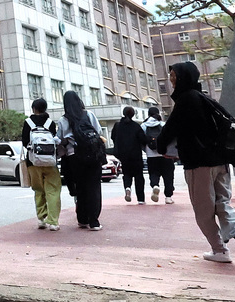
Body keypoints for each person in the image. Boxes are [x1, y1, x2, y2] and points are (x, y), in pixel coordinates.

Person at [157, 61, 235, 267]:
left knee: (203, 210)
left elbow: (169, 131)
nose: (171, 80)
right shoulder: (205, 99)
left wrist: (161, 147)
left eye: (174, 76)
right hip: (221, 161)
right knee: (223, 202)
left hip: (198, 163)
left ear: (185, 78)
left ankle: (219, 250)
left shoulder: (185, 100)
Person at [19, 97, 68, 230]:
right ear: (45, 109)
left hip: (33, 162)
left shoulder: (28, 122)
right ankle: (53, 222)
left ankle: (41, 219)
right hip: (50, 162)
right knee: (53, 190)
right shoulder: (50, 123)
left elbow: (24, 142)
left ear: (34, 109)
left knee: (38, 190)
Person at [60, 90, 105, 230]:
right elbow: (99, 132)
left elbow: (61, 140)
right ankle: (94, 221)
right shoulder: (89, 115)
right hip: (93, 155)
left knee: (81, 187)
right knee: (94, 187)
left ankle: (82, 219)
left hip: (75, 156)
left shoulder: (64, 120)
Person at [111, 107, 149, 204]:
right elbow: (143, 139)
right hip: (135, 155)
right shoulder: (136, 126)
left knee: (127, 174)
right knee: (138, 176)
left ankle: (127, 188)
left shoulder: (117, 126)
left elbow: (113, 137)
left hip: (123, 155)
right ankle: (140, 199)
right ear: (133, 114)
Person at [143, 105, 175, 203]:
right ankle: (168, 197)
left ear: (148, 114)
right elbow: (170, 138)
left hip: (151, 155)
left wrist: (146, 150)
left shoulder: (143, 126)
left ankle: (155, 185)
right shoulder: (163, 124)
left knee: (153, 173)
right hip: (165, 154)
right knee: (168, 176)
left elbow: (141, 140)